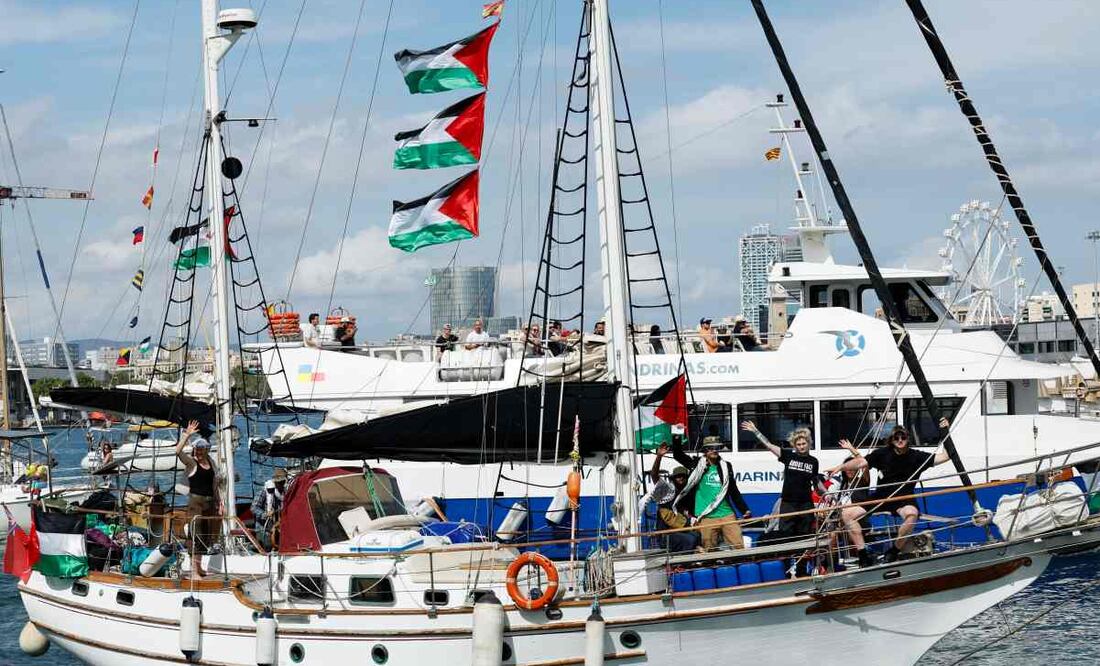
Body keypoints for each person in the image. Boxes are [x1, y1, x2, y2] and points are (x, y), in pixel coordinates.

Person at [828, 419, 952, 565]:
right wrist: (842, 467)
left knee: (912, 515)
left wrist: (946, 432)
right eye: (896, 438)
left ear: (907, 439)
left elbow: (945, 456)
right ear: (892, 440)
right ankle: (863, 554)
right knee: (847, 514)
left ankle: (894, 550)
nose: (900, 440)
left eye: (903, 437)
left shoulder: (917, 456)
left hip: (903, 498)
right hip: (881, 497)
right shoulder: (882, 453)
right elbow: (861, 462)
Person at [741, 421, 823, 539]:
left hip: (806, 503)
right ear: (795, 445)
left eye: (803, 443)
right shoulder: (788, 456)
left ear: (808, 443)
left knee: (805, 535)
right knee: (786, 534)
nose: (801, 446)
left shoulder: (814, 461)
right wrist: (755, 431)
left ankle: (803, 557)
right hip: (788, 503)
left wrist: (827, 494)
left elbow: (816, 481)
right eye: (798, 444)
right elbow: (768, 445)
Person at [670, 434, 752, 550]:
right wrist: (676, 436)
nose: (714, 450)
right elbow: (678, 455)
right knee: (709, 550)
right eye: (710, 448)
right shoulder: (696, 464)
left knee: (739, 547)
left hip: (727, 514)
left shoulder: (726, 466)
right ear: (704, 451)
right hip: (706, 516)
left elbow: (733, 490)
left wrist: (744, 509)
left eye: (716, 447)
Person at [177, 420, 223, 577]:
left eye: (202, 449)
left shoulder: (210, 462)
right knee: (195, 535)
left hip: (209, 502)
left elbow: (214, 484)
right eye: (197, 449)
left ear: (207, 449)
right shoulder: (192, 463)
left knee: (205, 535)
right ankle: (195, 571)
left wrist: (219, 502)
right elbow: (178, 452)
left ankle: (200, 568)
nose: (199, 451)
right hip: (196, 503)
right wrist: (186, 435)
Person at [649, 442, 698, 552]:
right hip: (665, 535)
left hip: (680, 530)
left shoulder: (687, 493)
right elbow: (654, 475)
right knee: (690, 540)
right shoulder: (667, 490)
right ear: (673, 479)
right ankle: (682, 565)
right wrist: (659, 456)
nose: (680, 479)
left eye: (683, 477)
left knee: (698, 536)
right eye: (677, 477)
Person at [251, 468, 288, 548]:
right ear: (275, 482)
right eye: (279, 482)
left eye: (282, 482)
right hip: (263, 529)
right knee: (268, 546)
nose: (281, 484)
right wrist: (265, 514)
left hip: (278, 528)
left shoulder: (284, 493)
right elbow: (254, 508)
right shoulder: (264, 491)